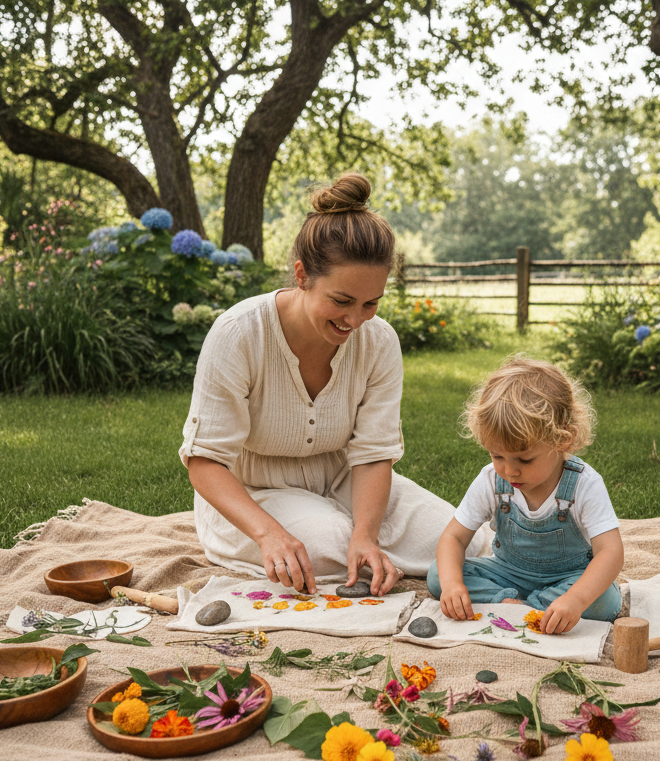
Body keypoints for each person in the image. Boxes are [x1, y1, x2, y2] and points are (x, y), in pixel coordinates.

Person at [179, 173, 486, 596]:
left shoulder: (379, 342)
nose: (356, 320)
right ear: (302, 275)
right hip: (254, 491)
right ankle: (329, 535)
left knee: (468, 542)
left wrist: (367, 534)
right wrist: (269, 534)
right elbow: (205, 462)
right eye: (342, 301)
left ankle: (355, 536)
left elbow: (373, 454)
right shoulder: (238, 333)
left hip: (347, 479)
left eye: (371, 302)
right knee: (326, 548)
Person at [427, 356, 623, 635]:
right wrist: (452, 585)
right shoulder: (492, 480)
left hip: (569, 578)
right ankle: (518, 604)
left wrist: (575, 600)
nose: (509, 471)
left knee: (605, 600)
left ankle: (531, 606)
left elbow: (611, 553)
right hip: (508, 572)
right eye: (497, 456)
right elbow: (453, 538)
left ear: (562, 440)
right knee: (438, 574)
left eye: (524, 459)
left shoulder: (583, 484)